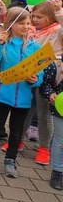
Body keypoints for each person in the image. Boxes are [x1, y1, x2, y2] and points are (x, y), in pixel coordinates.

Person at [0, 7, 44, 178]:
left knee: (17, 131)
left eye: (28, 23)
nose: (26, 26)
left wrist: (36, 79)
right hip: (3, 94)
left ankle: (11, 159)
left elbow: (40, 71)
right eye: (21, 23)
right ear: (10, 23)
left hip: (24, 97)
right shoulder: (1, 41)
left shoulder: (34, 46)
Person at [11, 0, 63, 166]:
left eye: (39, 17)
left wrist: (59, 11)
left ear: (50, 16)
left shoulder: (57, 30)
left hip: (47, 79)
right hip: (28, 75)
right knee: (25, 109)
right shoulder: (31, 30)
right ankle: (17, 140)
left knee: (43, 113)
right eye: (33, 16)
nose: (35, 20)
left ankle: (44, 148)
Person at [39, 60, 63, 189]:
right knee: (60, 141)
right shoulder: (56, 65)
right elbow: (45, 84)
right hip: (61, 110)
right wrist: (51, 94)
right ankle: (58, 172)